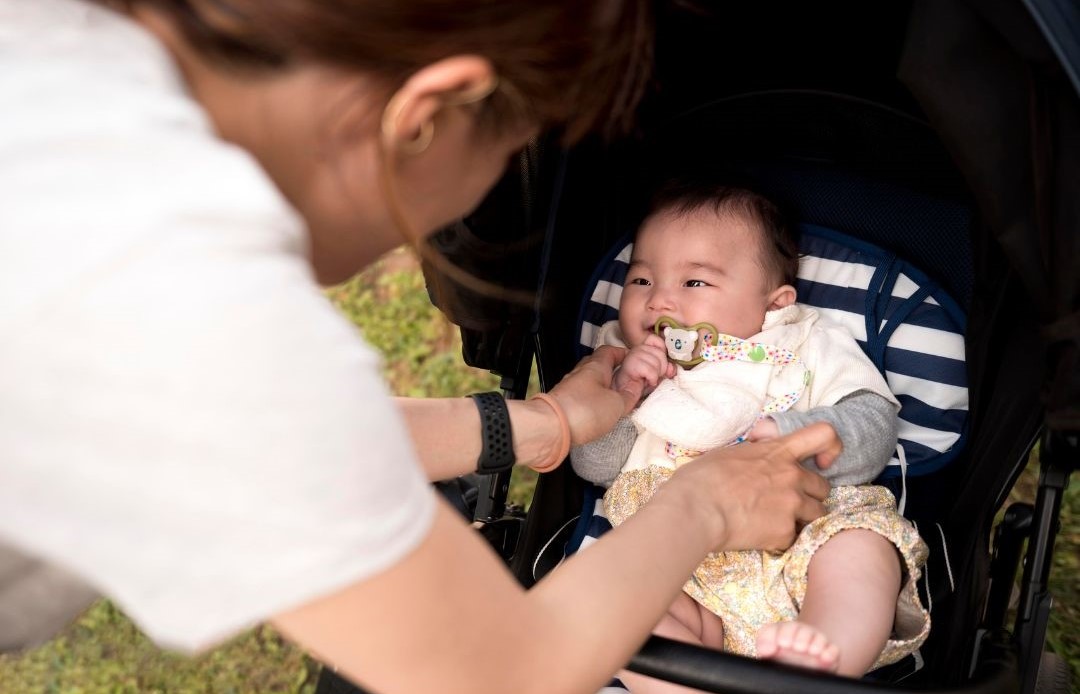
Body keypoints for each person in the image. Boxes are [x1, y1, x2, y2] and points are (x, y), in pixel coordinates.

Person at [0, 2, 838, 692]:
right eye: (512, 151)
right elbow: (503, 673)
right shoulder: (183, 300)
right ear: (430, 112)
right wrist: (705, 503)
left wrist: (539, 422)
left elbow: (271, 438)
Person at [571, 182, 930, 688]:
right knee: (603, 601)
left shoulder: (805, 340)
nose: (660, 301)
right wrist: (623, 397)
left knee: (861, 551)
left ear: (775, 303)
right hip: (683, 566)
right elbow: (595, 467)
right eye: (640, 280)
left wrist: (793, 433)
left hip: (807, 535)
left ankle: (819, 663)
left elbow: (873, 428)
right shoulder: (618, 365)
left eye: (694, 282)